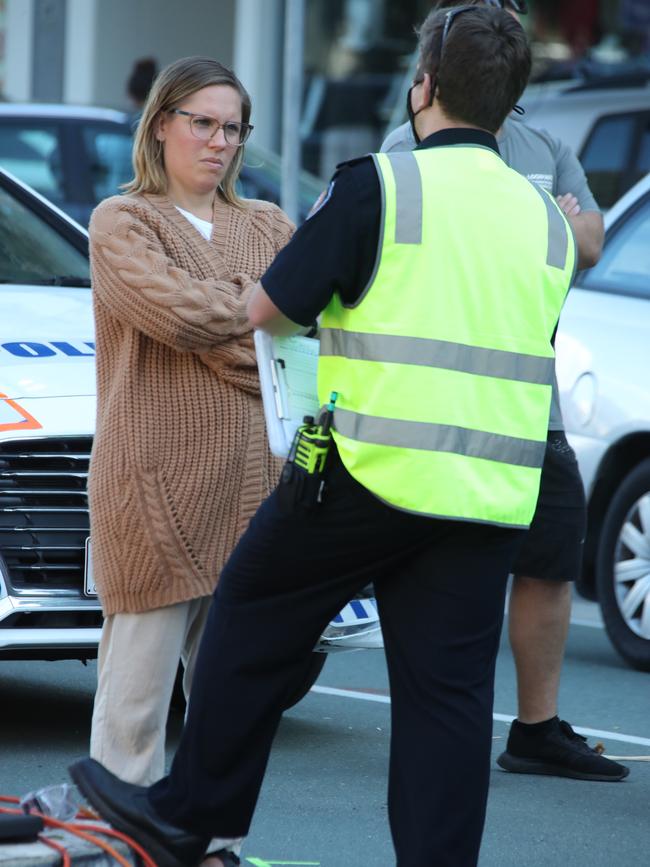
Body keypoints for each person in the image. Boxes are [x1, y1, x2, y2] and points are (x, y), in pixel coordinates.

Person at [71, 7, 575, 865]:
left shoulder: (381, 181)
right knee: (449, 702)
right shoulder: (546, 220)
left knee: (250, 610)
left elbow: (269, 312)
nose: (223, 141)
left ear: (424, 88)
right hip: (492, 488)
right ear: (511, 101)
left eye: (234, 128)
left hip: (372, 469)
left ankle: (188, 809)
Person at [382, 0, 628, 784]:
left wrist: (550, 219)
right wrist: (538, 213)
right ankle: (424, 716)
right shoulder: (405, 144)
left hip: (529, 401)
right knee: (429, 564)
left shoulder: (546, 143)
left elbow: (589, 240)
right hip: (429, 407)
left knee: (550, 559)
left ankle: (536, 727)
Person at [86, 56, 293, 867]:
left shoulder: (272, 224)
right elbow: (174, 316)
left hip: (255, 490)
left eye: (232, 127)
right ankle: (119, 839)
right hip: (153, 487)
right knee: (135, 699)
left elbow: (308, 326)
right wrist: (258, 314)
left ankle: (214, 845)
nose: (217, 141)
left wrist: (243, 319)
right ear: (161, 123)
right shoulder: (122, 221)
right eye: (201, 122)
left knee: (230, 698)